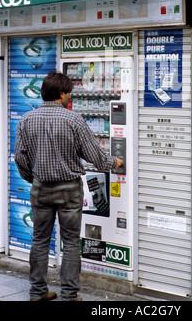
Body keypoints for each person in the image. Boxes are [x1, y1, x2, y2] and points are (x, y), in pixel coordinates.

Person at [14, 71, 123, 302]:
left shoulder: (26, 119)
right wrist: (115, 162)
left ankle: (37, 293)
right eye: (69, 94)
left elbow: (20, 158)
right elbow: (95, 156)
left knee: (40, 240)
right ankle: (69, 295)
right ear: (61, 94)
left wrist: (32, 178)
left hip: (40, 188)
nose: (69, 98)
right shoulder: (73, 120)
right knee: (71, 241)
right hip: (69, 190)